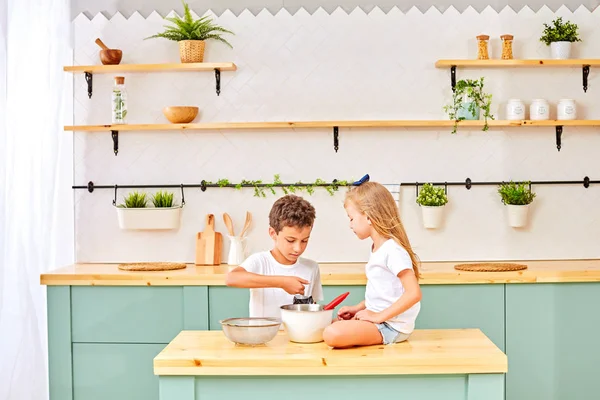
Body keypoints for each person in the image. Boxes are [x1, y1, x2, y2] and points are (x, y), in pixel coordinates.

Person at [323, 182, 422, 348]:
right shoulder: (379, 249)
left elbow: (414, 294)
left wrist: (378, 317)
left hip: (391, 326)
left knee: (331, 333)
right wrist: (358, 308)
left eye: (351, 218)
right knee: (328, 326)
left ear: (368, 216)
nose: (350, 225)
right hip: (381, 322)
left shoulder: (393, 251)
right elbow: (383, 294)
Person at [225, 194, 323, 320]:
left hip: (297, 338)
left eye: (304, 240)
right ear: (273, 233)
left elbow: (311, 309)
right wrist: (282, 282)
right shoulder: (260, 261)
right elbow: (231, 278)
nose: (298, 248)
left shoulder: (311, 268)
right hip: (262, 337)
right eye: (290, 240)